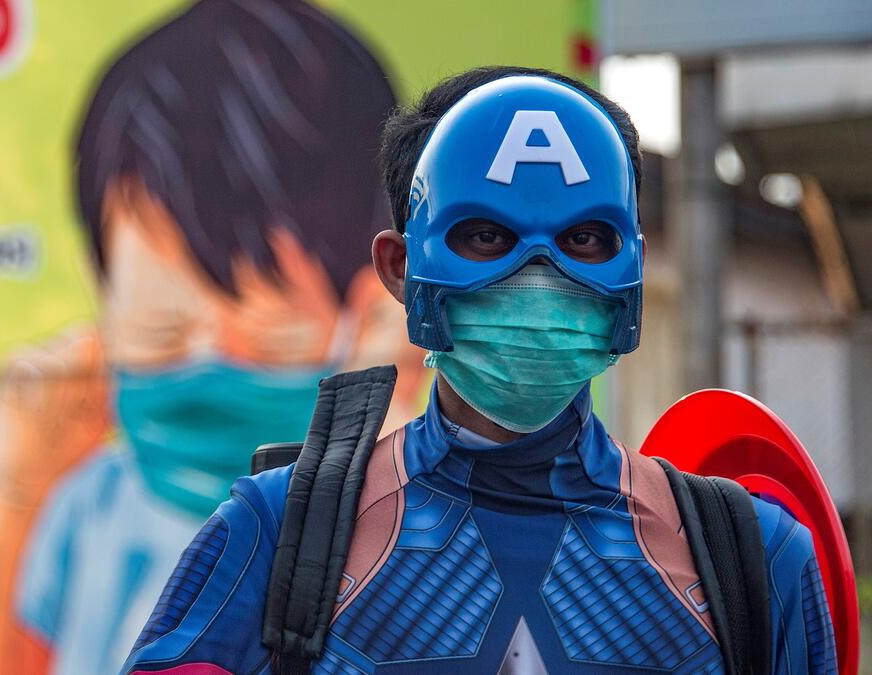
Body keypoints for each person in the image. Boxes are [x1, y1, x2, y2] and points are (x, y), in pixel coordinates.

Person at [122, 66, 838, 674]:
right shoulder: (275, 538)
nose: (538, 277)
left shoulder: (755, 557)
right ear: (401, 268)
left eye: (584, 237)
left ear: (632, 267)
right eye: (486, 235)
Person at [0, 1, 425, 673]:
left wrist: (372, 443)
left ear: (376, 302)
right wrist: (9, 487)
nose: (208, 359)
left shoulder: (406, 496)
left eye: (269, 336)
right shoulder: (92, 505)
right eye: (162, 329)